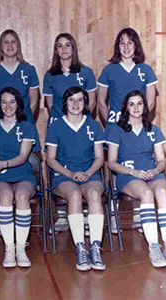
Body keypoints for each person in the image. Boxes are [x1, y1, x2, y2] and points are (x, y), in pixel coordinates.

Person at [107, 90, 166, 268]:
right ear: (126, 107)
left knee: (162, 191)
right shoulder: (117, 130)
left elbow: (161, 160)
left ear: (145, 107)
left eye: (139, 103)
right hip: (129, 175)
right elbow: (111, 163)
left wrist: (155, 171)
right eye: (131, 104)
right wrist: (134, 172)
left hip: (152, 173)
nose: (136, 107)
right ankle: (154, 247)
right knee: (146, 193)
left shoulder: (154, 130)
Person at [97, 28, 158, 233]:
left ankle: (141, 214)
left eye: (130, 42)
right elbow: (101, 101)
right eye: (121, 43)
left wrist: (141, 121)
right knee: (115, 167)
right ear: (117, 46)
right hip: (117, 126)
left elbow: (150, 100)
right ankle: (114, 214)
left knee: (140, 163)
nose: (126, 46)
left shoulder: (145, 70)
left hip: (138, 123)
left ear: (136, 45)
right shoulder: (109, 70)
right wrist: (112, 124)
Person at [46, 86, 106, 271]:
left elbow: (99, 158)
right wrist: (70, 174)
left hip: (89, 173)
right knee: (74, 195)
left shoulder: (94, 125)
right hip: (64, 175)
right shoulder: (56, 125)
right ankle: (80, 247)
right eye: (71, 100)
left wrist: (88, 172)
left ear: (86, 103)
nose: (76, 104)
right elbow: (50, 159)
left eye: (80, 100)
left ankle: (95, 248)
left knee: (95, 193)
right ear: (65, 103)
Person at [43, 33, 97, 233]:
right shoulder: (50, 75)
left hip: (82, 125)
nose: (64, 49)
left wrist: (81, 123)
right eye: (60, 46)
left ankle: (86, 215)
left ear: (73, 48)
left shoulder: (86, 72)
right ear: (56, 50)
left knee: (86, 163)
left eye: (67, 45)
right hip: (60, 126)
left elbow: (91, 102)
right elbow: (50, 105)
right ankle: (62, 215)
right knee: (59, 165)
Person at [0, 87, 40, 268]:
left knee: (22, 196)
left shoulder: (28, 127)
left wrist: (3, 164)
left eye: (12, 102)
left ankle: (21, 248)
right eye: (4, 102)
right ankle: (9, 249)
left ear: (18, 104)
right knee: (6, 196)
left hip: (22, 173)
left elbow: (23, 157)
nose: (8, 106)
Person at [0, 29, 40, 123]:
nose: (10, 45)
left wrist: (25, 121)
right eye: (6, 42)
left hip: (24, 123)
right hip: (0, 125)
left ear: (18, 45)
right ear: (1, 46)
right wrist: (0, 124)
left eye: (13, 42)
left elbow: (34, 102)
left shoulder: (29, 70)